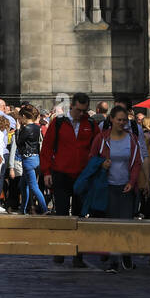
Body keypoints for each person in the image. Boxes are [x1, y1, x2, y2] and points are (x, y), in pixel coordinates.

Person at [39, 93, 99, 266]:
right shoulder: (58, 122)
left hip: (82, 175)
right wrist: (46, 172)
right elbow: (47, 148)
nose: (82, 113)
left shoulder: (91, 124)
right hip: (61, 173)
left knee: (80, 217)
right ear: (71, 106)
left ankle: (77, 254)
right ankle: (60, 250)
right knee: (62, 215)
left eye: (85, 110)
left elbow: (96, 148)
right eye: (79, 110)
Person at [91, 104, 146, 272]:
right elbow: (92, 158)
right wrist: (101, 165)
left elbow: (137, 162)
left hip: (126, 186)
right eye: (119, 119)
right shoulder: (102, 138)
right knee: (112, 224)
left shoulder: (132, 139)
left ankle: (126, 255)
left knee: (126, 223)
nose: (122, 123)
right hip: (107, 185)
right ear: (111, 120)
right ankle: (114, 260)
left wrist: (132, 181)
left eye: (124, 120)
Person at [16, 105, 46, 215]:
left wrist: (17, 130)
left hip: (28, 159)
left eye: (19, 117)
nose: (19, 120)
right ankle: (23, 209)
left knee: (33, 186)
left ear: (24, 116)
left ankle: (44, 209)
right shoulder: (37, 128)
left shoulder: (26, 128)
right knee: (24, 185)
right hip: (36, 158)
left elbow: (19, 143)